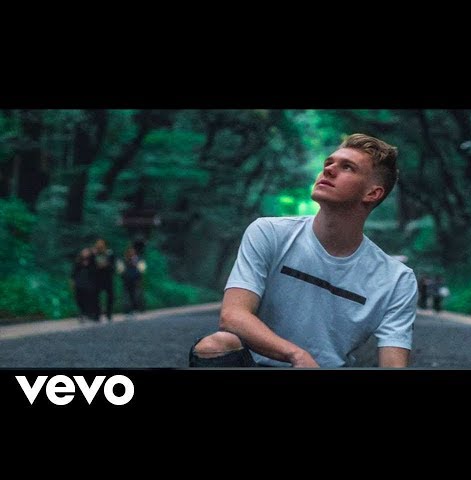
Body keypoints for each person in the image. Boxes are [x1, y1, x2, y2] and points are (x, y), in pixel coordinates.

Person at [190, 133, 418, 368]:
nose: (329, 170)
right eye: (329, 163)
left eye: (347, 167)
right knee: (215, 345)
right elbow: (232, 316)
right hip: (257, 364)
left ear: (372, 193)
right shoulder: (269, 232)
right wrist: (296, 355)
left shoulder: (396, 279)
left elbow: (393, 364)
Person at [70, 247, 99, 322]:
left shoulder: (92, 261)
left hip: (90, 284)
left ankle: (91, 314)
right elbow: (73, 273)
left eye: (87, 252)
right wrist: (72, 282)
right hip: (80, 284)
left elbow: (96, 270)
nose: (85, 254)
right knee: (80, 300)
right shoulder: (78, 261)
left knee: (90, 300)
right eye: (84, 252)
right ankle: (82, 314)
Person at [116, 245, 146, 316]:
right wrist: (124, 274)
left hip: (136, 279)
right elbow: (120, 270)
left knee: (136, 294)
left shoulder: (138, 259)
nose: (131, 253)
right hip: (126, 279)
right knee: (127, 295)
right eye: (129, 252)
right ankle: (128, 310)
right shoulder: (123, 259)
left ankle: (137, 308)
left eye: (132, 251)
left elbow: (142, 269)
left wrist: (138, 273)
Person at [92, 238, 115, 322]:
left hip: (107, 277)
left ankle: (109, 314)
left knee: (110, 296)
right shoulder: (93, 254)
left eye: (101, 244)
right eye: (98, 244)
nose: (100, 245)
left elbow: (113, 265)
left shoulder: (109, 253)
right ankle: (97, 314)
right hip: (97, 278)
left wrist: (106, 265)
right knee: (95, 297)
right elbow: (90, 266)